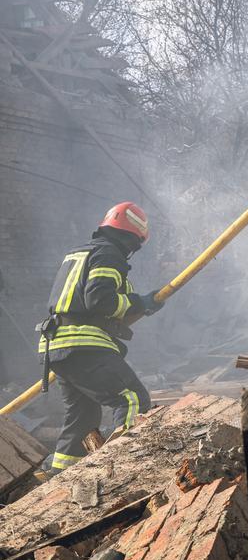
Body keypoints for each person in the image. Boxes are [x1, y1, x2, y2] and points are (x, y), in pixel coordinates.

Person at [36, 202, 163, 472]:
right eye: (135, 245)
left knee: (83, 418)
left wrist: (141, 304)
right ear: (132, 238)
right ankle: (128, 471)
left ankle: (60, 480)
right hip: (84, 344)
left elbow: (88, 302)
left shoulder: (80, 254)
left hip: (58, 345)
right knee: (131, 398)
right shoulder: (109, 254)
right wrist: (138, 302)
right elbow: (100, 300)